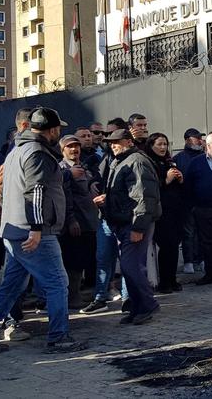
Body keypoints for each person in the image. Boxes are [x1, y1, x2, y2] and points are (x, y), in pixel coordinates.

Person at [0, 107, 85, 354]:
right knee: (57, 283)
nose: (59, 132)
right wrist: (36, 228)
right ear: (53, 130)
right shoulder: (37, 153)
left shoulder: (17, 151)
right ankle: (59, 337)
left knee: (12, 285)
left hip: (14, 230)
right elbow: (36, 191)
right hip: (33, 233)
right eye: (58, 129)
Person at [96, 129, 160, 324]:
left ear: (128, 142)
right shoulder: (122, 160)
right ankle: (137, 308)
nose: (112, 145)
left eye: (117, 141)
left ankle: (147, 305)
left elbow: (144, 197)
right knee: (129, 267)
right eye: (111, 142)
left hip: (135, 223)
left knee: (130, 266)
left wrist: (138, 228)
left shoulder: (136, 161)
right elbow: (129, 194)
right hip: (126, 222)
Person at [0, 108, 33, 342]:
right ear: (25, 127)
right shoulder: (15, 157)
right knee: (15, 281)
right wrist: (0, 227)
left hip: (30, 231)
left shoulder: (30, 153)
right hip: (18, 231)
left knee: (17, 280)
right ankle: (8, 322)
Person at [80, 117, 129, 314]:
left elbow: (134, 191)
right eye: (106, 135)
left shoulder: (135, 160)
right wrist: (94, 184)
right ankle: (100, 297)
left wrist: (108, 197)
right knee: (102, 259)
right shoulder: (104, 157)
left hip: (124, 218)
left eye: (112, 135)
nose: (108, 140)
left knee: (126, 261)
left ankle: (128, 300)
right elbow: (99, 178)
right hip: (105, 217)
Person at [59, 135, 100, 308]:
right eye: (70, 147)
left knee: (84, 259)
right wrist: (71, 220)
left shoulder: (83, 167)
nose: (74, 149)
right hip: (74, 224)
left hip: (89, 222)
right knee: (72, 262)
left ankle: (79, 294)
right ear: (62, 150)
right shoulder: (61, 170)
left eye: (77, 146)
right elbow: (65, 197)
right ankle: (72, 297)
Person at [185, 131, 212, 285]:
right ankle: (211, 274)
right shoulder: (196, 163)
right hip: (203, 210)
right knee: (207, 243)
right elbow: (188, 185)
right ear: (208, 146)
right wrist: (194, 207)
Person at [144, 133, 184, 293]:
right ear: (151, 145)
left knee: (173, 246)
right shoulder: (149, 163)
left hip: (175, 210)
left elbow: (179, 188)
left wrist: (180, 180)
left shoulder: (169, 161)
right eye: (159, 144)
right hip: (160, 211)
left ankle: (172, 279)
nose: (162, 148)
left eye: (165, 144)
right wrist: (166, 180)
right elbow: (151, 188)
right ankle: (165, 282)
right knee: (165, 246)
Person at [173, 128, 205, 274]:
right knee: (188, 233)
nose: (199, 140)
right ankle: (189, 261)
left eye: (200, 138)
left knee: (202, 232)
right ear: (187, 140)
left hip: (203, 201)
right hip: (186, 202)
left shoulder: (205, 156)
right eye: (196, 138)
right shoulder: (179, 158)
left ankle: (201, 259)